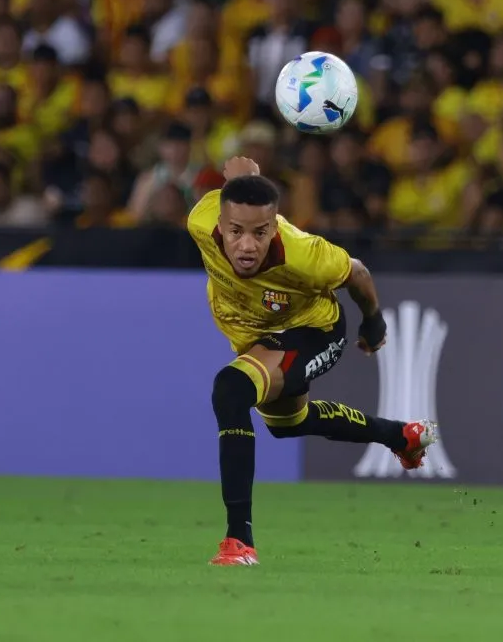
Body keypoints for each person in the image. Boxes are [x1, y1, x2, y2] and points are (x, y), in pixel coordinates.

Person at [186, 155, 438, 567]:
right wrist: (246, 179)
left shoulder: (304, 255)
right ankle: (403, 436)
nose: (246, 245)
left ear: (275, 225)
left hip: (315, 331)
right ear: (220, 223)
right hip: (257, 337)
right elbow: (238, 196)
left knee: (230, 390)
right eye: (235, 232)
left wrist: (373, 323)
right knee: (289, 425)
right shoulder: (199, 219)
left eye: (260, 233)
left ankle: (239, 540)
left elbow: (357, 273)